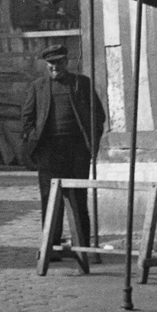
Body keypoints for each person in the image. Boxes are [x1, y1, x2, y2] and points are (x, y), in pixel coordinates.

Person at [20, 42, 106, 257]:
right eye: (50, 64)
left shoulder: (81, 84)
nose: (54, 67)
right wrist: (35, 145)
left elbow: (99, 116)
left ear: (66, 62)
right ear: (46, 65)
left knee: (79, 199)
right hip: (49, 152)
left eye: (58, 63)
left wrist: (90, 144)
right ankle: (51, 249)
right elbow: (27, 120)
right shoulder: (38, 87)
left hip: (77, 152)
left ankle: (83, 248)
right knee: (51, 201)